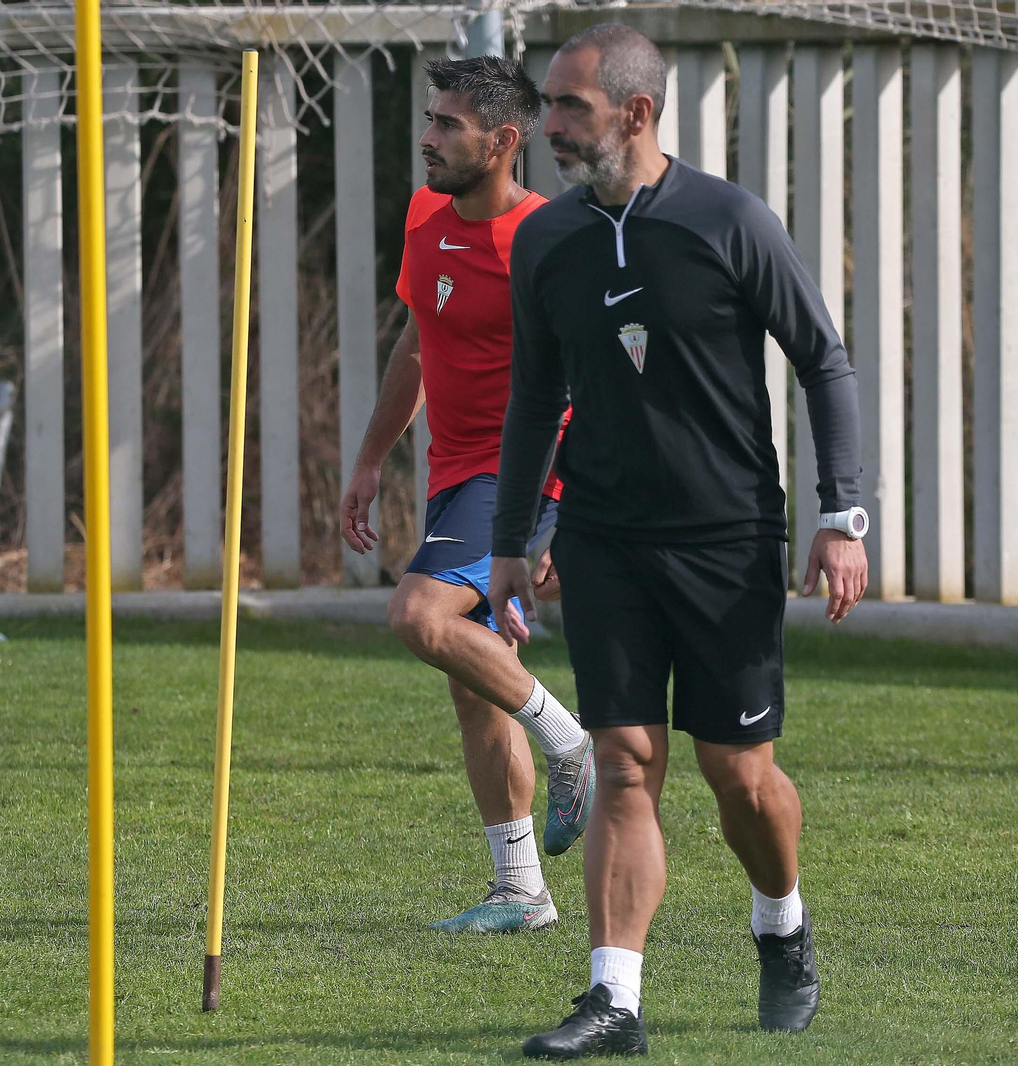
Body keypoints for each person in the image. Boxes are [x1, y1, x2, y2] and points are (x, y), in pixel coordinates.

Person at [486, 24, 870, 1058]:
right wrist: (513, 539)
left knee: (737, 775)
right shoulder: (543, 240)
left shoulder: (729, 221)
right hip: (605, 536)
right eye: (546, 107)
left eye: (569, 108)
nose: (547, 127)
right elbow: (533, 398)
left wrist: (842, 515)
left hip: (727, 537)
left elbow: (822, 363)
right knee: (623, 762)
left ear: (637, 113)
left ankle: (781, 924)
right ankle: (614, 999)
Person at [339, 54, 596, 935]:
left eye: (448, 125)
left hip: (523, 477)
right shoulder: (423, 218)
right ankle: (521, 891)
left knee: (419, 619)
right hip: (454, 477)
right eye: (431, 120)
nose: (429, 138)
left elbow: (594, 383)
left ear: (504, 141)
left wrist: (560, 509)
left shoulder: (551, 238)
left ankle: (574, 748)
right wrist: (374, 457)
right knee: (471, 680)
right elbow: (417, 345)